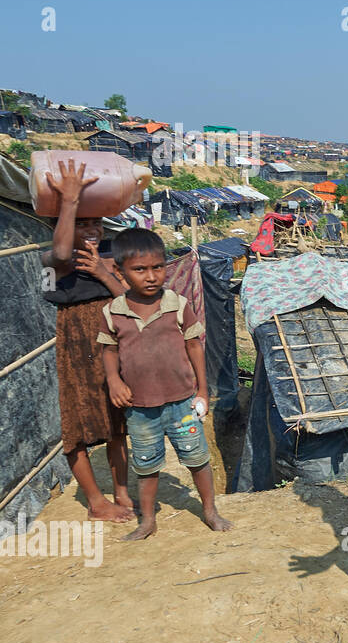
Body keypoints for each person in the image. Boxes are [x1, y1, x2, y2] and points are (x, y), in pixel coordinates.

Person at [97, 229, 232, 540]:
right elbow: (109, 350)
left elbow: (195, 346)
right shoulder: (113, 312)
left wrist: (202, 390)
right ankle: (147, 521)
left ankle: (210, 510)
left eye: (157, 267)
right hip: (140, 408)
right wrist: (114, 380)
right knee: (146, 466)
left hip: (182, 402)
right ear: (121, 272)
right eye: (140, 269)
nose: (151, 276)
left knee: (197, 459)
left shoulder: (177, 304)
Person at [40, 161, 133, 522]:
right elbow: (62, 255)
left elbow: (128, 297)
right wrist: (70, 201)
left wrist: (102, 272)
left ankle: (122, 492)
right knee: (77, 422)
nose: (92, 230)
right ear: (61, 226)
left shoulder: (109, 254)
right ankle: (96, 502)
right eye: (81, 224)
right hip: (78, 345)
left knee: (117, 421)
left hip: (114, 337)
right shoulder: (50, 259)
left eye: (95, 222)